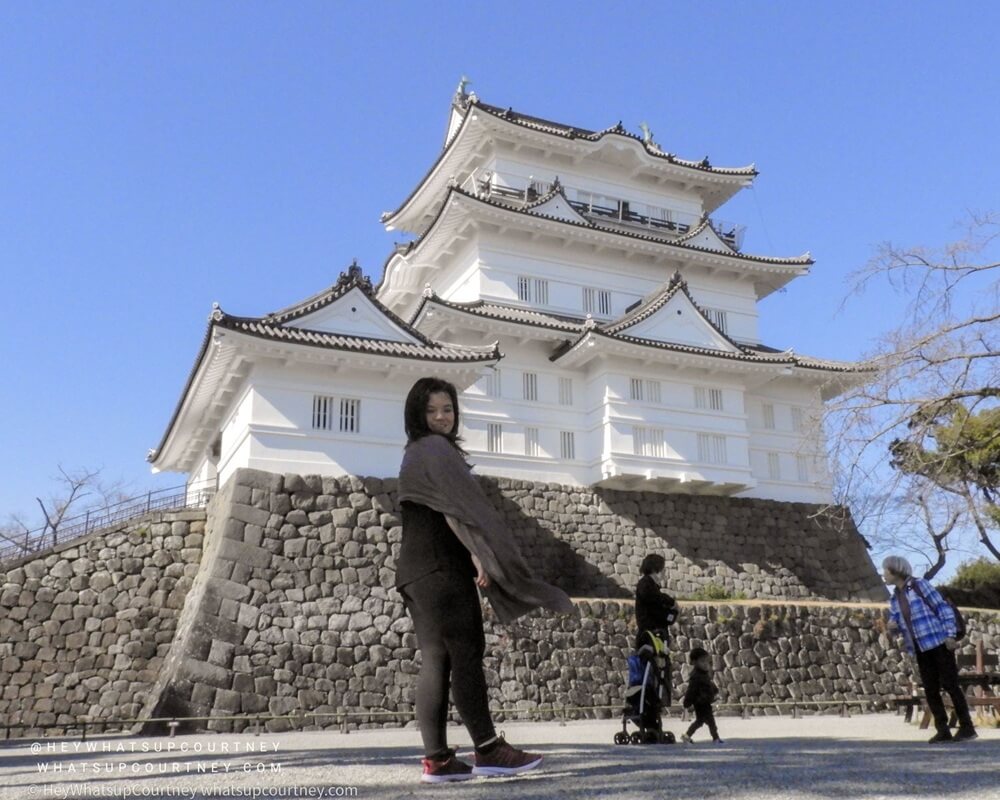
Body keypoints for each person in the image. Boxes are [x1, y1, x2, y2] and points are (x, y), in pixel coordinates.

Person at [395, 377, 575, 783]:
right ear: (417, 415)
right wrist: (480, 551)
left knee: (436, 660)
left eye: (448, 409)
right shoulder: (436, 450)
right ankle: (489, 749)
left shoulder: (414, 453)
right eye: (432, 411)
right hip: (441, 568)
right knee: (466, 654)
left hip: (414, 571)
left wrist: (472, 551)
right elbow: (460, 512)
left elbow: (443, 509)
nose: (442, 417)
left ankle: (438, 760)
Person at [882, 555, 977, 743]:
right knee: (931, 689)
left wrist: (949, 635)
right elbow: (900, 623)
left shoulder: (919, 585)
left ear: (895, 570)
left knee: (950, 684)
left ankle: (967, 727)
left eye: (885, 570)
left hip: (939, 642)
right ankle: (942, 730)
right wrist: (893, 626)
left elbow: (943, 609)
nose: (883, 574)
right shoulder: (895, 598)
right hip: (920, 647)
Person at [681, 647, 722, 744]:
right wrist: (687, 701)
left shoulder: (703, 674)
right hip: (700, 702)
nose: (705, 664)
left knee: (703, 721)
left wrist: (715, 691)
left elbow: (709, 685)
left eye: (706, 661)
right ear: (695, 662)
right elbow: (691, 690)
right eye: (702, 661)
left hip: (705, 701)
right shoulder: (696, 676)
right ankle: (715, 738)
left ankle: (688, 735)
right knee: (706, 721)